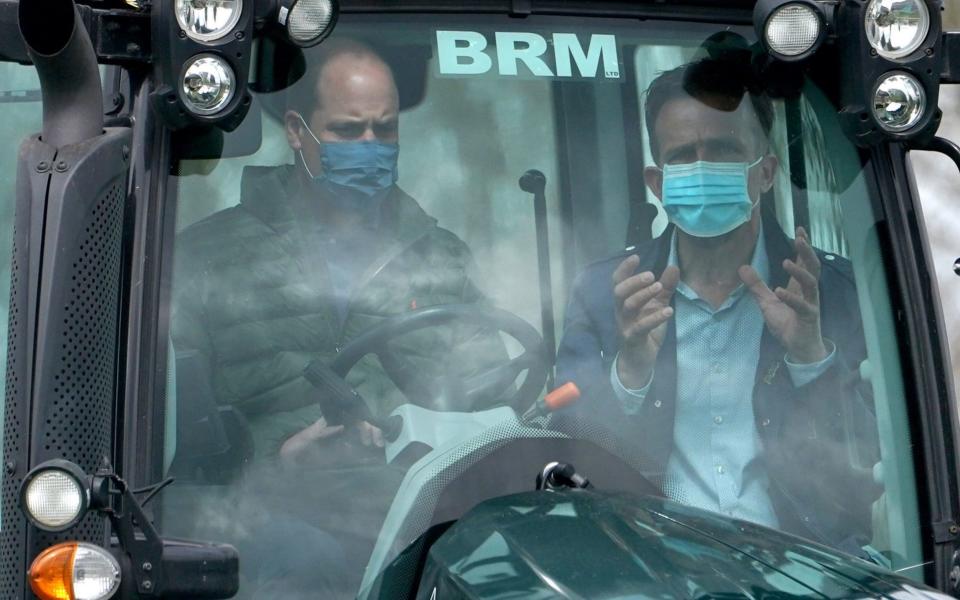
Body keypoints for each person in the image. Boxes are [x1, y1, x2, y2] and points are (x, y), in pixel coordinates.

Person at [555, 56, 880, 552]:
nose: (702, 168)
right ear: (657, 183)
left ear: (766, 171)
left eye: (725, 150)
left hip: (805, 566)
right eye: (683, 156)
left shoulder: (831, 291)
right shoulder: (606, 294)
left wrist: (812, 360)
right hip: (649, 565)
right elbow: (562, 446)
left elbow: (889, 464)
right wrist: (631, 372)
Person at [170, 38, 503, 466]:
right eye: (347, 130)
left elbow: (493, 409)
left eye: (384, 129)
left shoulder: (446, 261)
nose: (370, 146)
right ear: (295, 131)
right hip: (261, 523)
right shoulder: (205, 258)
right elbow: (170, 442)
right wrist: (279, 460)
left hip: (423, 510)